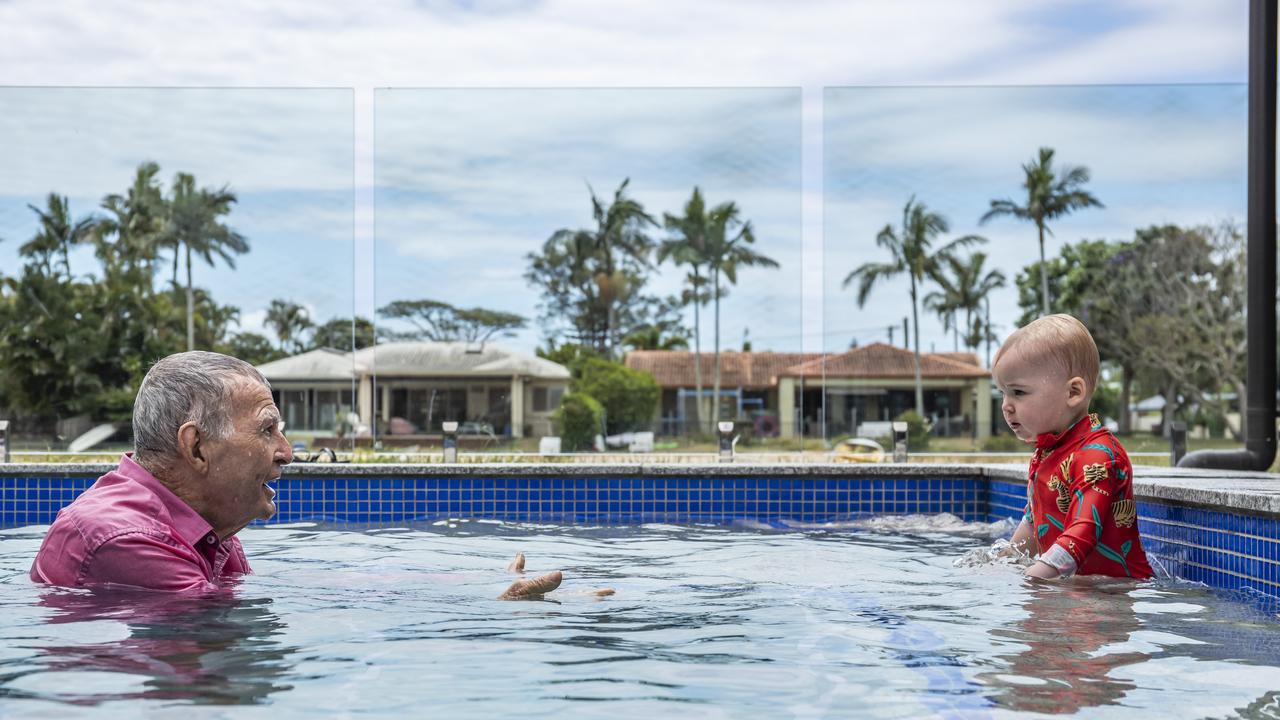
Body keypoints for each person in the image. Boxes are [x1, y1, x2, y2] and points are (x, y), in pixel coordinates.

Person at [30, 351, 564, 599]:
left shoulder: (201, 524)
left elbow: (310, 586)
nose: (287, 452)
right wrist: (490, 618)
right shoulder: (128, 540)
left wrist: (474, 585)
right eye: (267, 431)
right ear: (196, 447)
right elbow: (216, 641)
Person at [992, 314, 1153, 580]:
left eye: (1018, 392)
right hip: (1079, 592)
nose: (1006, 406)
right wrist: (1000, 565)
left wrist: (1033, 578)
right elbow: (1033, 525)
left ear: (1073, 393)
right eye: (1003, 393)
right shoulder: (1050, 451)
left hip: (1113, 600)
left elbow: (1084, 530)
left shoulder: (1097, 456)